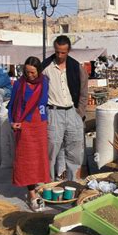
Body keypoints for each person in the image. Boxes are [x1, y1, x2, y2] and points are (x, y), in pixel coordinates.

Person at [42, 35, 88, 181]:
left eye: (63, 52)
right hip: (54, 113)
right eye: (57, 52)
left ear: (68, 51)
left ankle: (72, 183)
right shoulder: (45, 67)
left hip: (72, 112)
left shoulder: (76, 67)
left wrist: (79, 114)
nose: (60, 55)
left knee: (74, 152)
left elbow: (83, 92)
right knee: (51, 151)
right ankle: (48, 184)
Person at [7, 57, 50, 212]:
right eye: (27, 72)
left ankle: (38, 187)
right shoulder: (19, 84)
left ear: (39, 71)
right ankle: (31, 193)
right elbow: (11, 105)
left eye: (32, 72)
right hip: (24, 125)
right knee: (26, 160)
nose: (30, 75)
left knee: (40, 158)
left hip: (40, 125)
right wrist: (12, 122)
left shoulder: (44, 82)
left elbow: (45, 103)